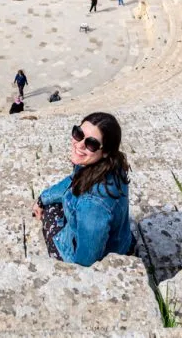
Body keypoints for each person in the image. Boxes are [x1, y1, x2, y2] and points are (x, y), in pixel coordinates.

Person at [32, 113, 134, 266]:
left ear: (106, 151)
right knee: (50, 203)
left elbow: (86, 261)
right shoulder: (111, 164)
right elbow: (74, 181)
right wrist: (42, 199)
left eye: (91, 144)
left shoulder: (93, 205)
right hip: (121, 241)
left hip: (92, 255)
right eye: (78, 134)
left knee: (49, 214)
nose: (79, 145)